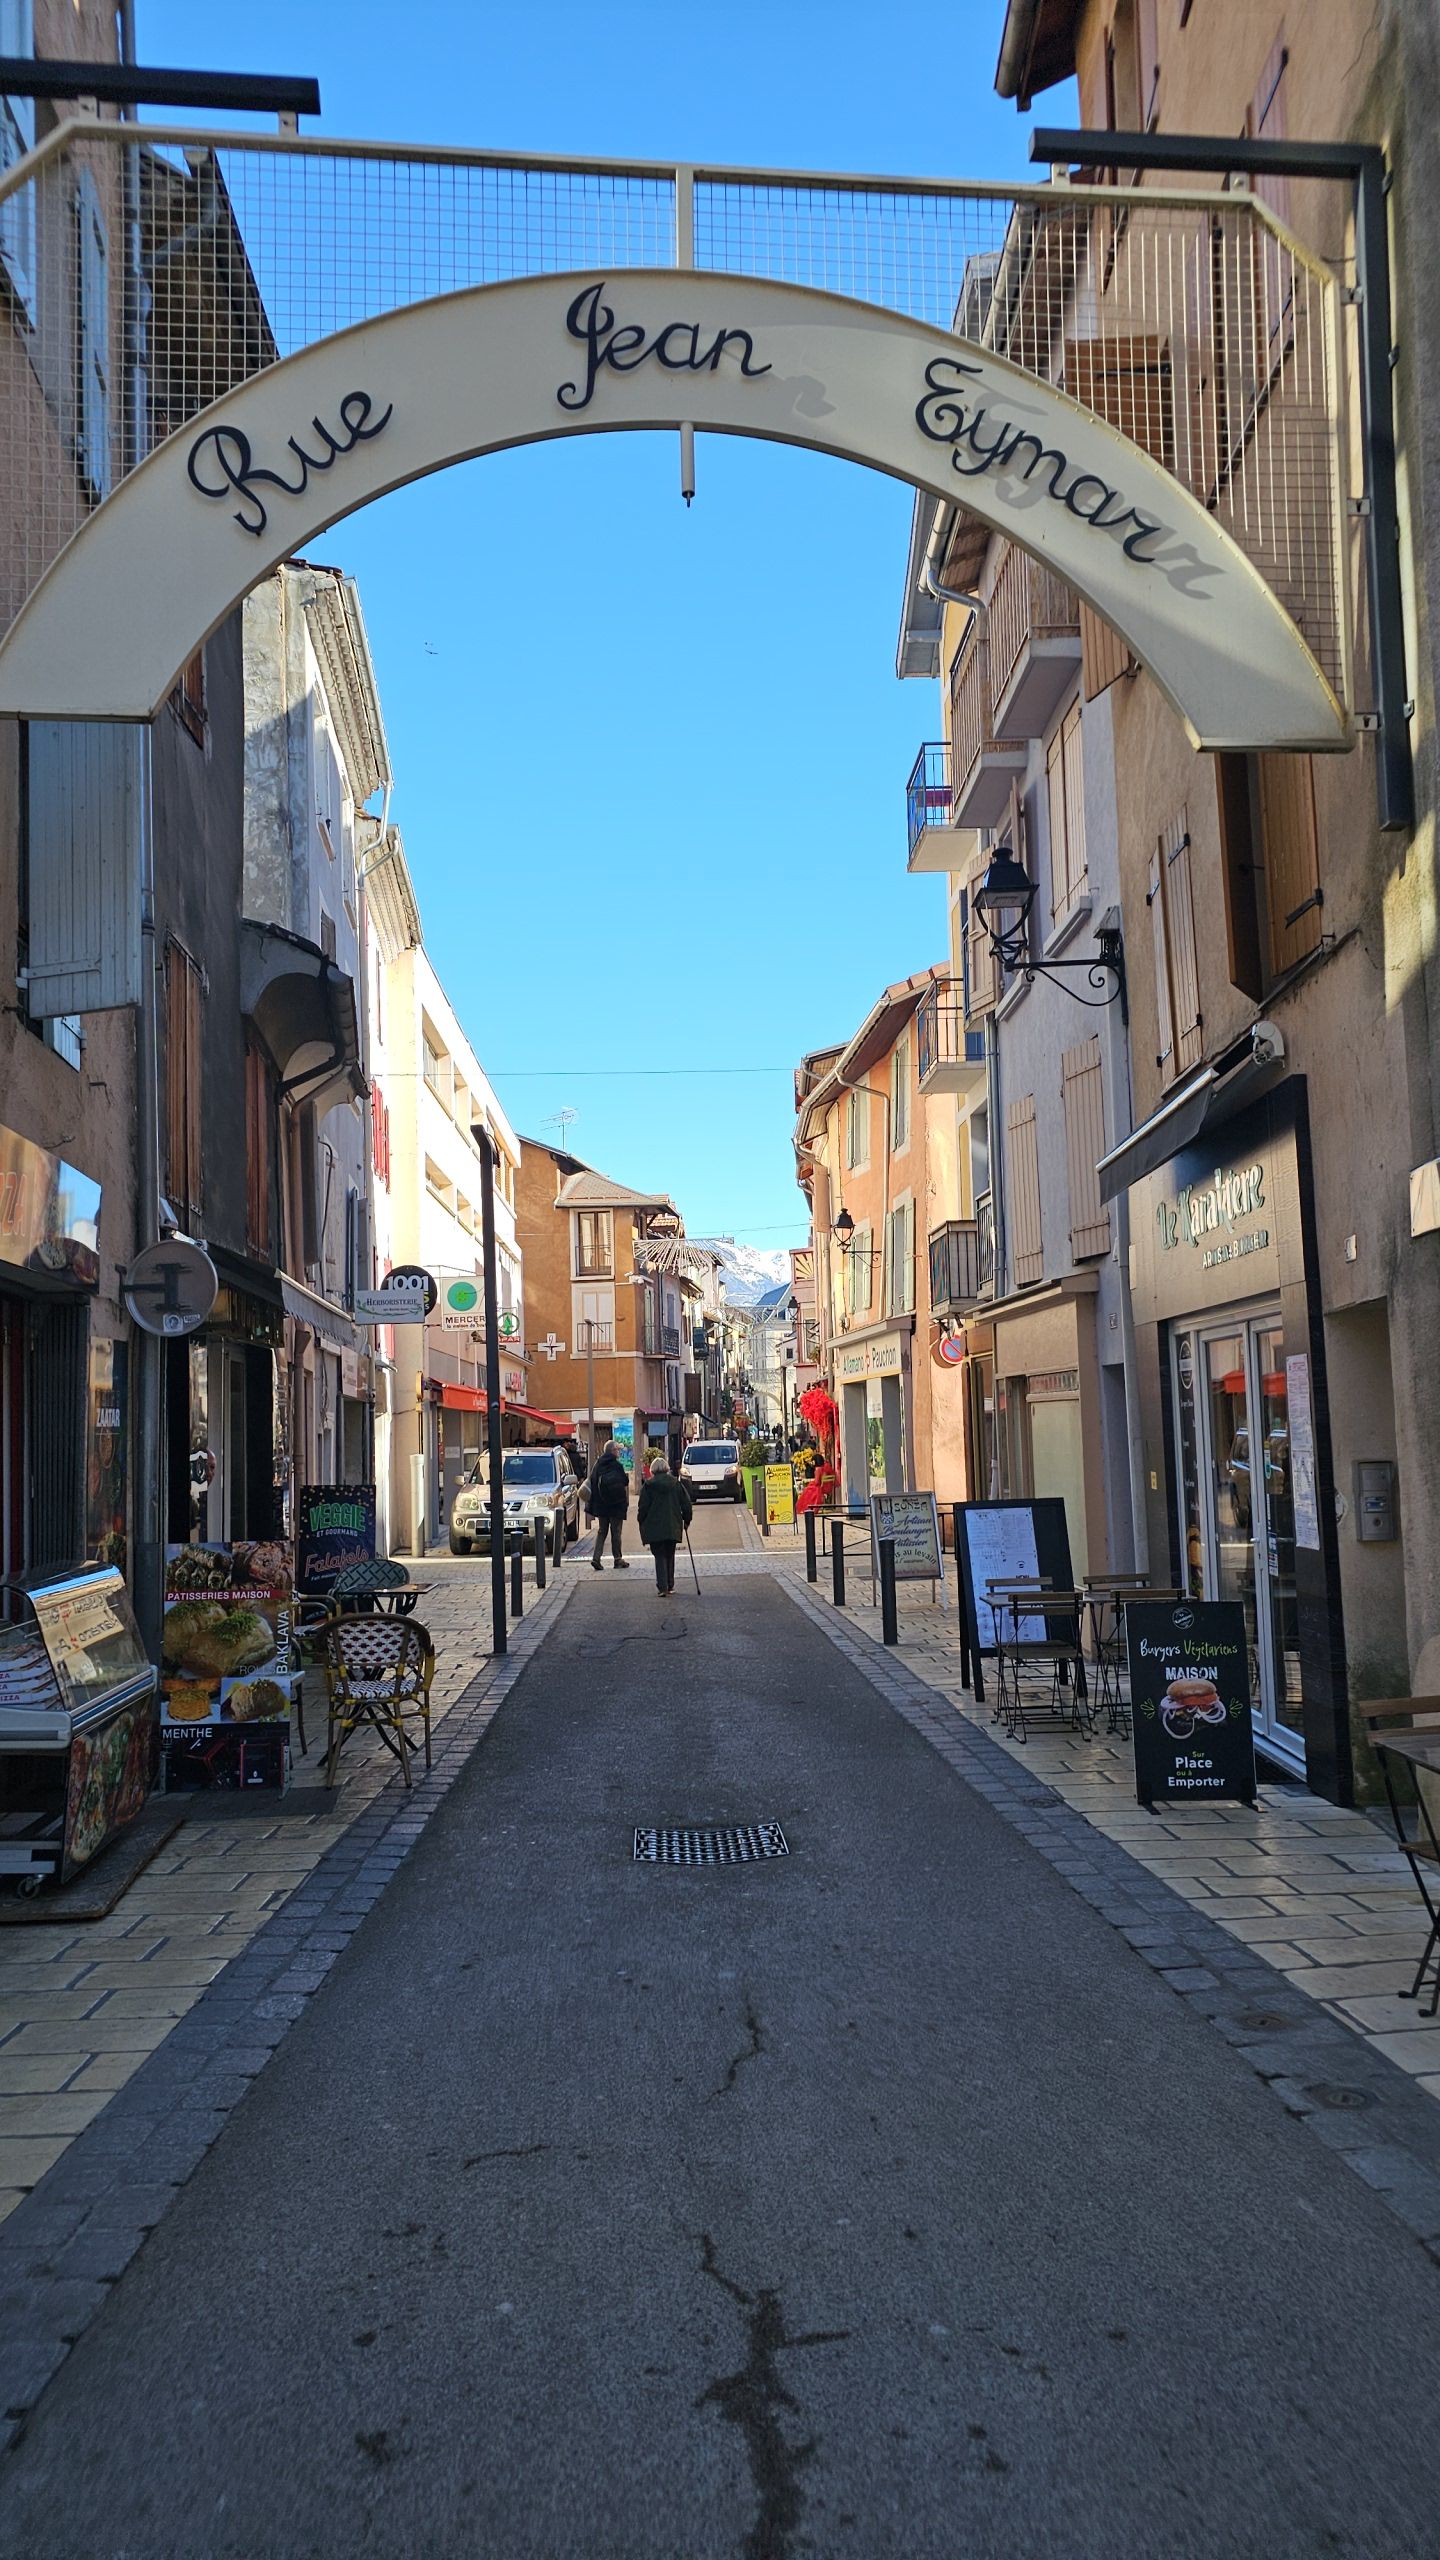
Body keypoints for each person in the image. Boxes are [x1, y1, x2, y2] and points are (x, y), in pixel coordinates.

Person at [637, 1451, 693, 1598]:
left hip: (654, 1525)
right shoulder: (676, 1484)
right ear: (667, 1468)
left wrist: (641, 1520)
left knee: (659, 1555)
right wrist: (687, 1520)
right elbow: (686, 1504)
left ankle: (662, 1587)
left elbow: (643, 1506)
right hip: (672, 1524)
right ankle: (670, 1584)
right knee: (670, 1553)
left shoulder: (648, 1486)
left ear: (653, 1470)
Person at [586, 1439, 631, 1571]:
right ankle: (617, 1559)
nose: (619, 1452)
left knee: (602, 1531)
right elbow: (625, 1481)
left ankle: (596, 1558)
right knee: (616, 1532)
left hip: (601, 1504)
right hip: (616, 1505)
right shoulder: (617, 1466)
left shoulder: (598, 1464)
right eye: (617, 1449)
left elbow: (592, 1481)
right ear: (612, 1451)